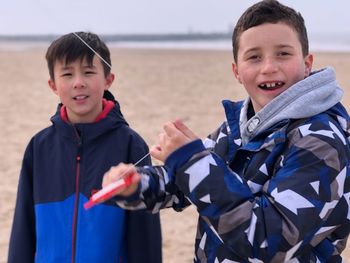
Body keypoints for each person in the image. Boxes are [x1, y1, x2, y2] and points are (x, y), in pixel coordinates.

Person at [102, 1, 350, 262]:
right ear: (237, 71)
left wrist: (190, 160)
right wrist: (136, 184)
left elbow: (266, 240)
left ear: (307, 63)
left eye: (283, 54)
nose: (269, 67)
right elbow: (186, 181)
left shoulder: (321, 140)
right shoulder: (240, 128)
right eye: (254, 57)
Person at [8, 32, 162, 263]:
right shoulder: (39, 147)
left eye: (89, 72)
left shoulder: (131, 144)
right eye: (67, 74)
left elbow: (145, 235)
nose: (78, 82)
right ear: (53, 85)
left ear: (108, 79)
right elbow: (23, 226)